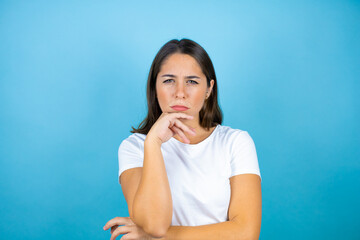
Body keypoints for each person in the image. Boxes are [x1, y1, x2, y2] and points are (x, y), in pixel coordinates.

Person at [103, 38, 262, 240]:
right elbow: (155, 224)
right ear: (154, 86)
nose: (180, 93)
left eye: (192, 82)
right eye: (169, 80)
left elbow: (246, 234)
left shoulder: (236, 142)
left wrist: (153, 237)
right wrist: (153, 143)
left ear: (209, 89)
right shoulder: (134, 147)